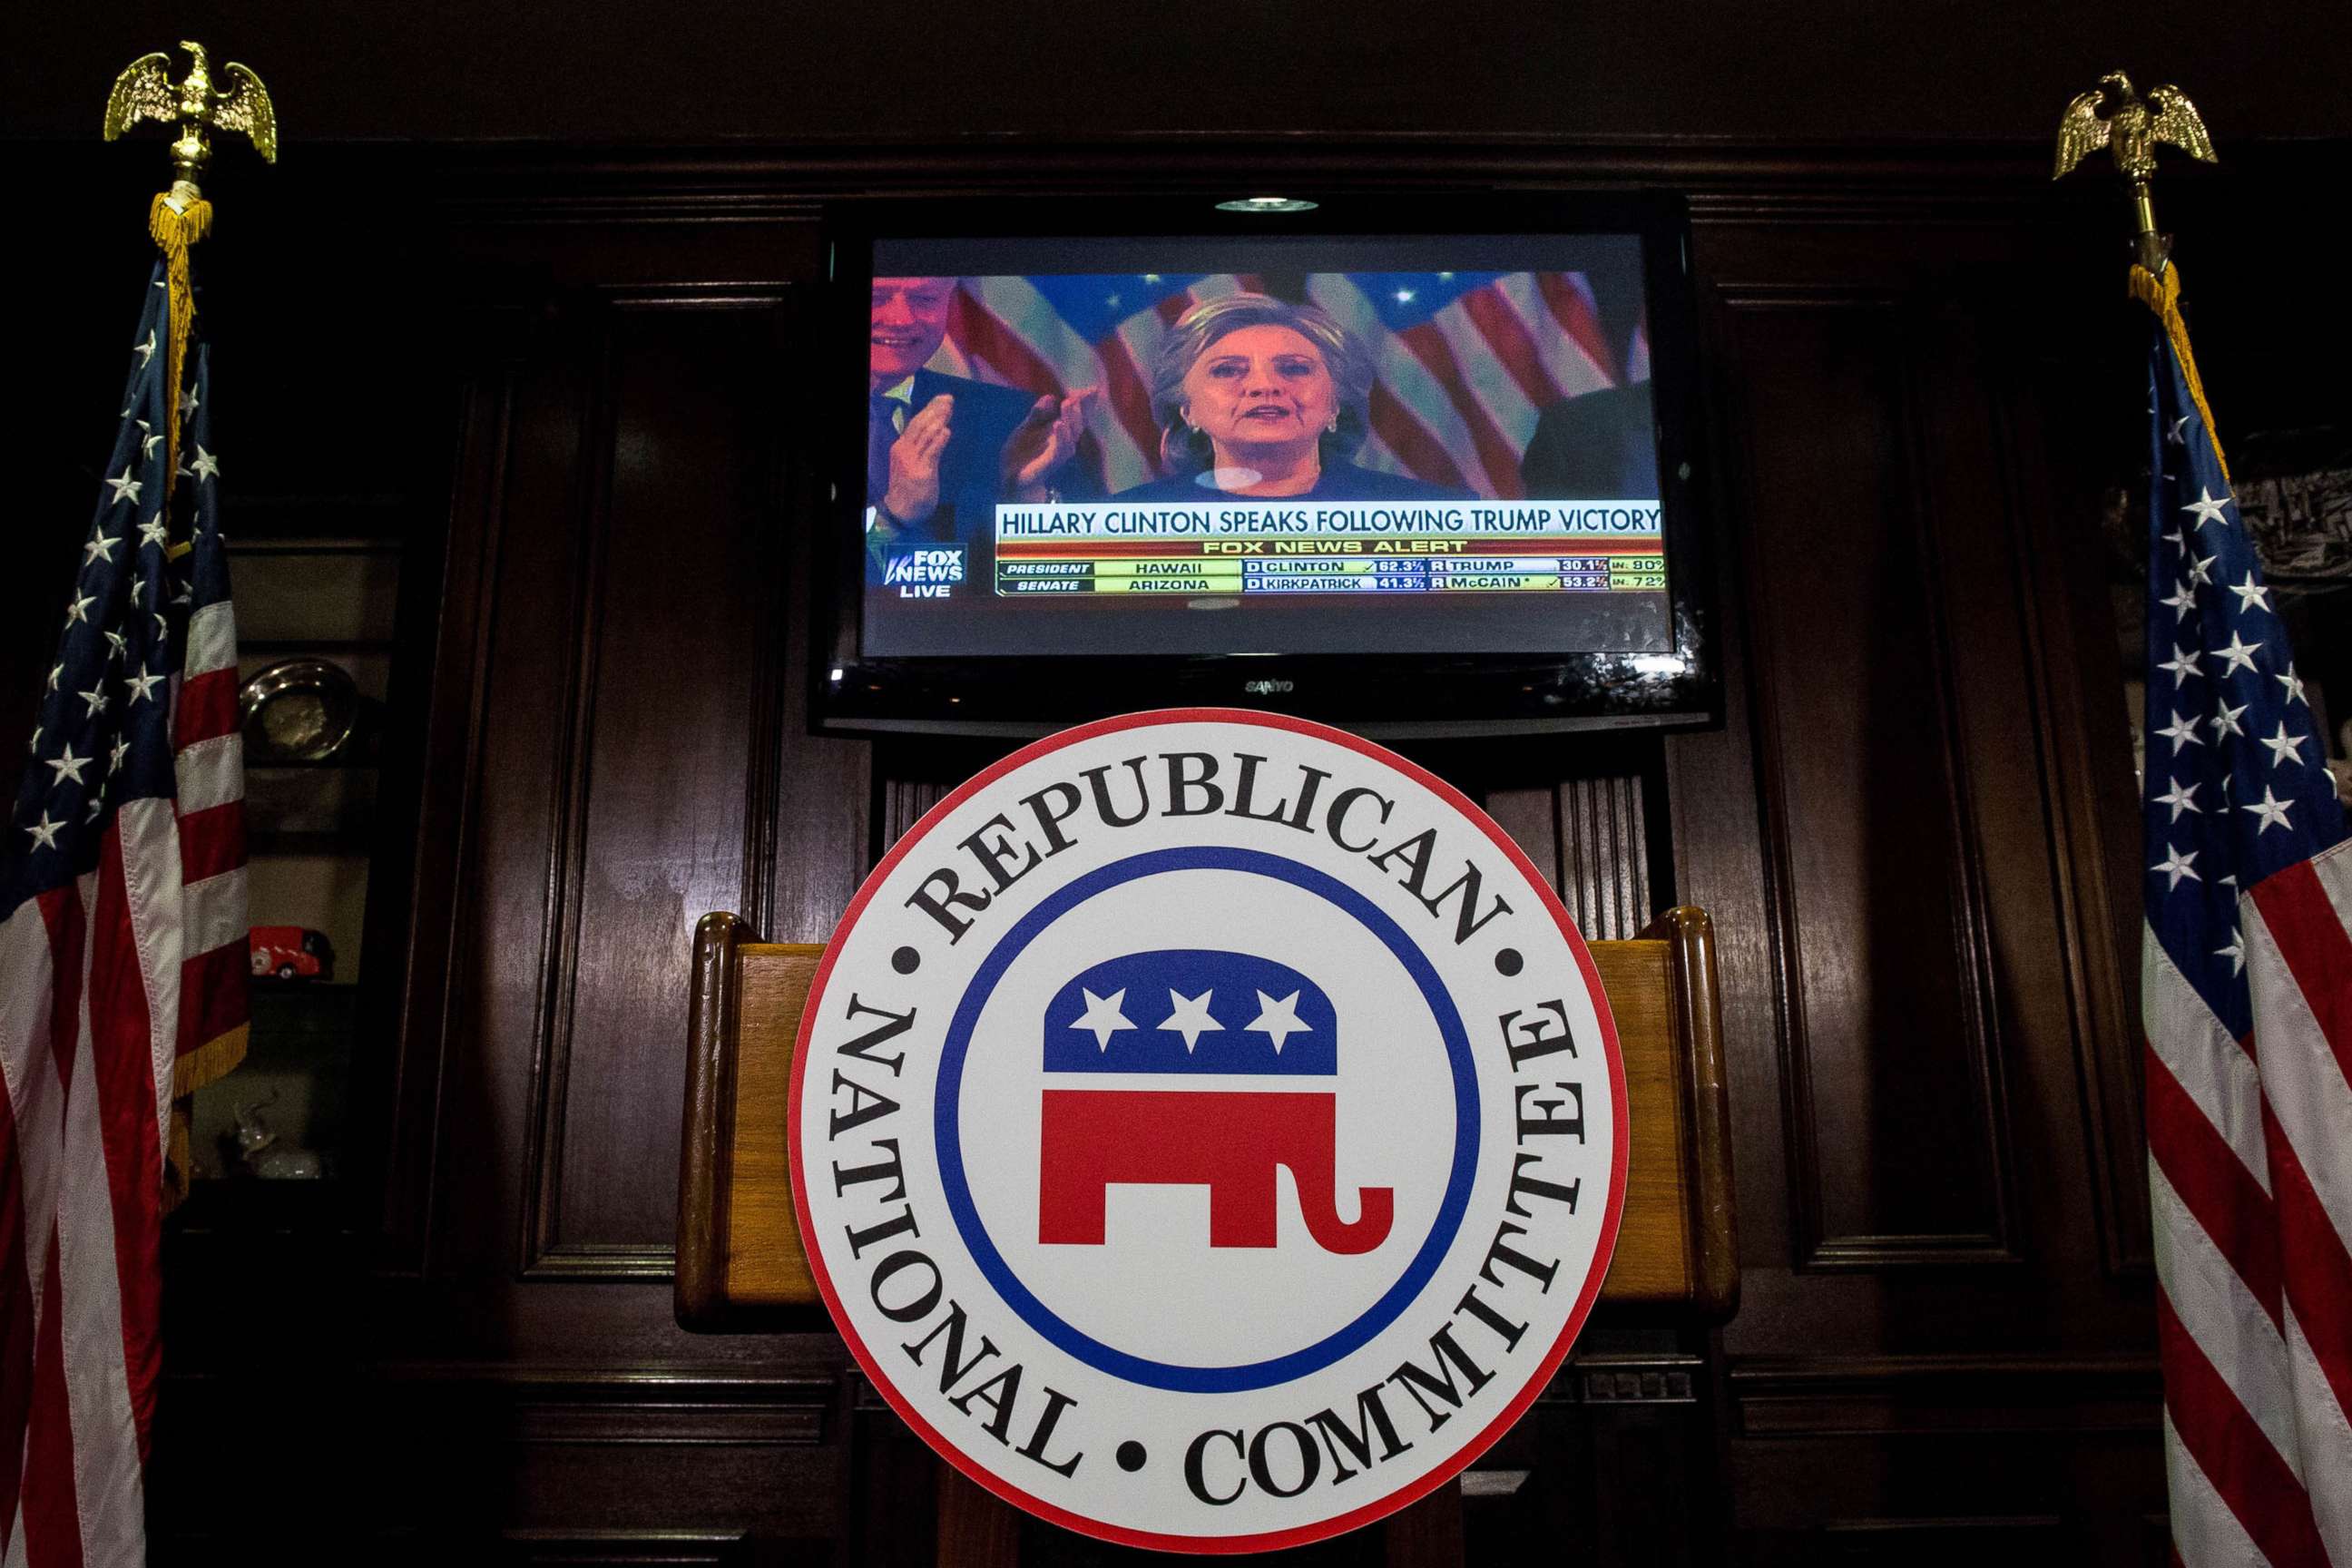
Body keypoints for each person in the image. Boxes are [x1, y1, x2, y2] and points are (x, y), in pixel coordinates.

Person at [1117, 294, 1470, 502]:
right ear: (1187, 409)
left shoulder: (1430, 510)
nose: (1264, 386)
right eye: (1227, 370)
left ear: (1335, 403)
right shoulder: (1124, 518)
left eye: (1294, 369)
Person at [866, 276, 1093, 573]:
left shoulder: (1012, 418)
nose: (901, 319)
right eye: (877, 298)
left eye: (925, 300)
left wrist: (1027, 497)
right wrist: (890, 518)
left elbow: (1076, 573)